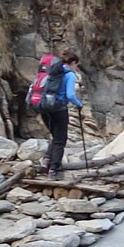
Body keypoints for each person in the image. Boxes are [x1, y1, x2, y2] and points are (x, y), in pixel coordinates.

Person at [40, 50, 84, 180]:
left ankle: (46, 160)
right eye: (76, 65)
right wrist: (79, 104)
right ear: (73, 62)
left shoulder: (50, 71)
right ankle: (54, 170)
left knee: (55, 136)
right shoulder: (70, 75)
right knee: (61, 140)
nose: (76, 67)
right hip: (59, 109)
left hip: (45, 108)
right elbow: (70, 95)